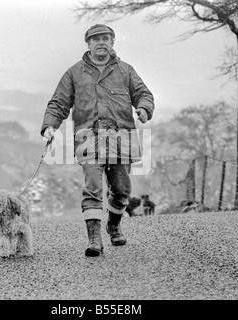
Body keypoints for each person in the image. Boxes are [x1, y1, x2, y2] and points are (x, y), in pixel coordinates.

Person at [40, 24, 154, 257]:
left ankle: (113, 225)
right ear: (88, 44)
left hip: (121, 137)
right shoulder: (74, 73)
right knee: (92, 187)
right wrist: (50, 126)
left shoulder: (125, 71)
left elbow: (144, 94)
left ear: (113, 42)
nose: (101, 42)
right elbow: (58, 103)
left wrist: (143, 108)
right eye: (96, 39)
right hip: (88, 137)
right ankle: (94, 239)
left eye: (105, 38)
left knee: (122, 189)